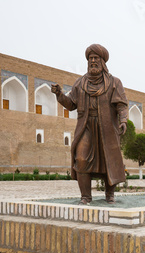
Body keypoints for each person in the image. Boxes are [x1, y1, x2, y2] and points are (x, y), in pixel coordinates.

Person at [51, 44, 128, 204]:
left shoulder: (114, 82)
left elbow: (121, 104)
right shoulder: (80, 83)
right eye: (90, 58)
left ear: (102, 61)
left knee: (109, 160)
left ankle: (110, 195)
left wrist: (123, 120)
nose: (93, 61)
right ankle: (85, 196)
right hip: (86, 126)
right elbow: (71, 103)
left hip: (106, 128)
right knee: (81, 158)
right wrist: (60, 94)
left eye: (96, 58)